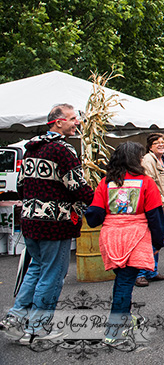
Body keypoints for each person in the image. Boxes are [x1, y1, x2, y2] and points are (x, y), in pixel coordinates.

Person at [0, 104, 94, 344]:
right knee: (52, 274)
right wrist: (97, 202)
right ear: (58, 122)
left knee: (36, 269)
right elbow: (78, 186)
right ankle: (37, 329)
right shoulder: (62, 150)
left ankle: (15, 319)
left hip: (30, 220)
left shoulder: (31, 149)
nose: (77, 123)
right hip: (54, 222)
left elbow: (20, 185)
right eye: (73, 119)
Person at [84, 142, 164, 345]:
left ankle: (126, 318)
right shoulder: (146, 182)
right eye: (140, 157)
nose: (142, 160)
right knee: (125, 282)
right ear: (134, 159)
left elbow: (94, 215)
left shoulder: (106, 182)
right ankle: (115, 329)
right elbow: (155, 216)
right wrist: (158, 242)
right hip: (135, 236)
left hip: (111, 236)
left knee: (122, 278)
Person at [137, 133, 164, 287]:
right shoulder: (148, 160)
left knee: (157, 238)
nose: (161, 145)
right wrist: (160, 200)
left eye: (163, 142)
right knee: (150, 240)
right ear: (150, 146)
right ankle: (141, 273)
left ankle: (152, 271)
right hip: (155, 205)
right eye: (157, 143)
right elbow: (150, 182)